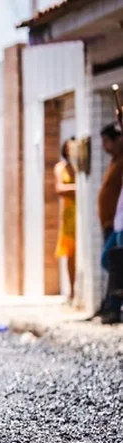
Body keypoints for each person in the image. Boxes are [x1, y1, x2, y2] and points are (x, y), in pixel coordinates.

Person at [92, 123, 123, 324]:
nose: (104, 146)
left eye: (106, 141)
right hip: (112, 222)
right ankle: (108, 305)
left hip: (117, 222)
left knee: (112, 260)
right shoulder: (114, 162)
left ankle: (112, 307)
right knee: (113, 262)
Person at [54, 138, 76, 302]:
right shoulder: (61, 168)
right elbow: (59, 188)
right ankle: (72, 290)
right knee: (70, 253)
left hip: (79, 211)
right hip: (69, 214)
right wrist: (78, 187)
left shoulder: (77, 167)